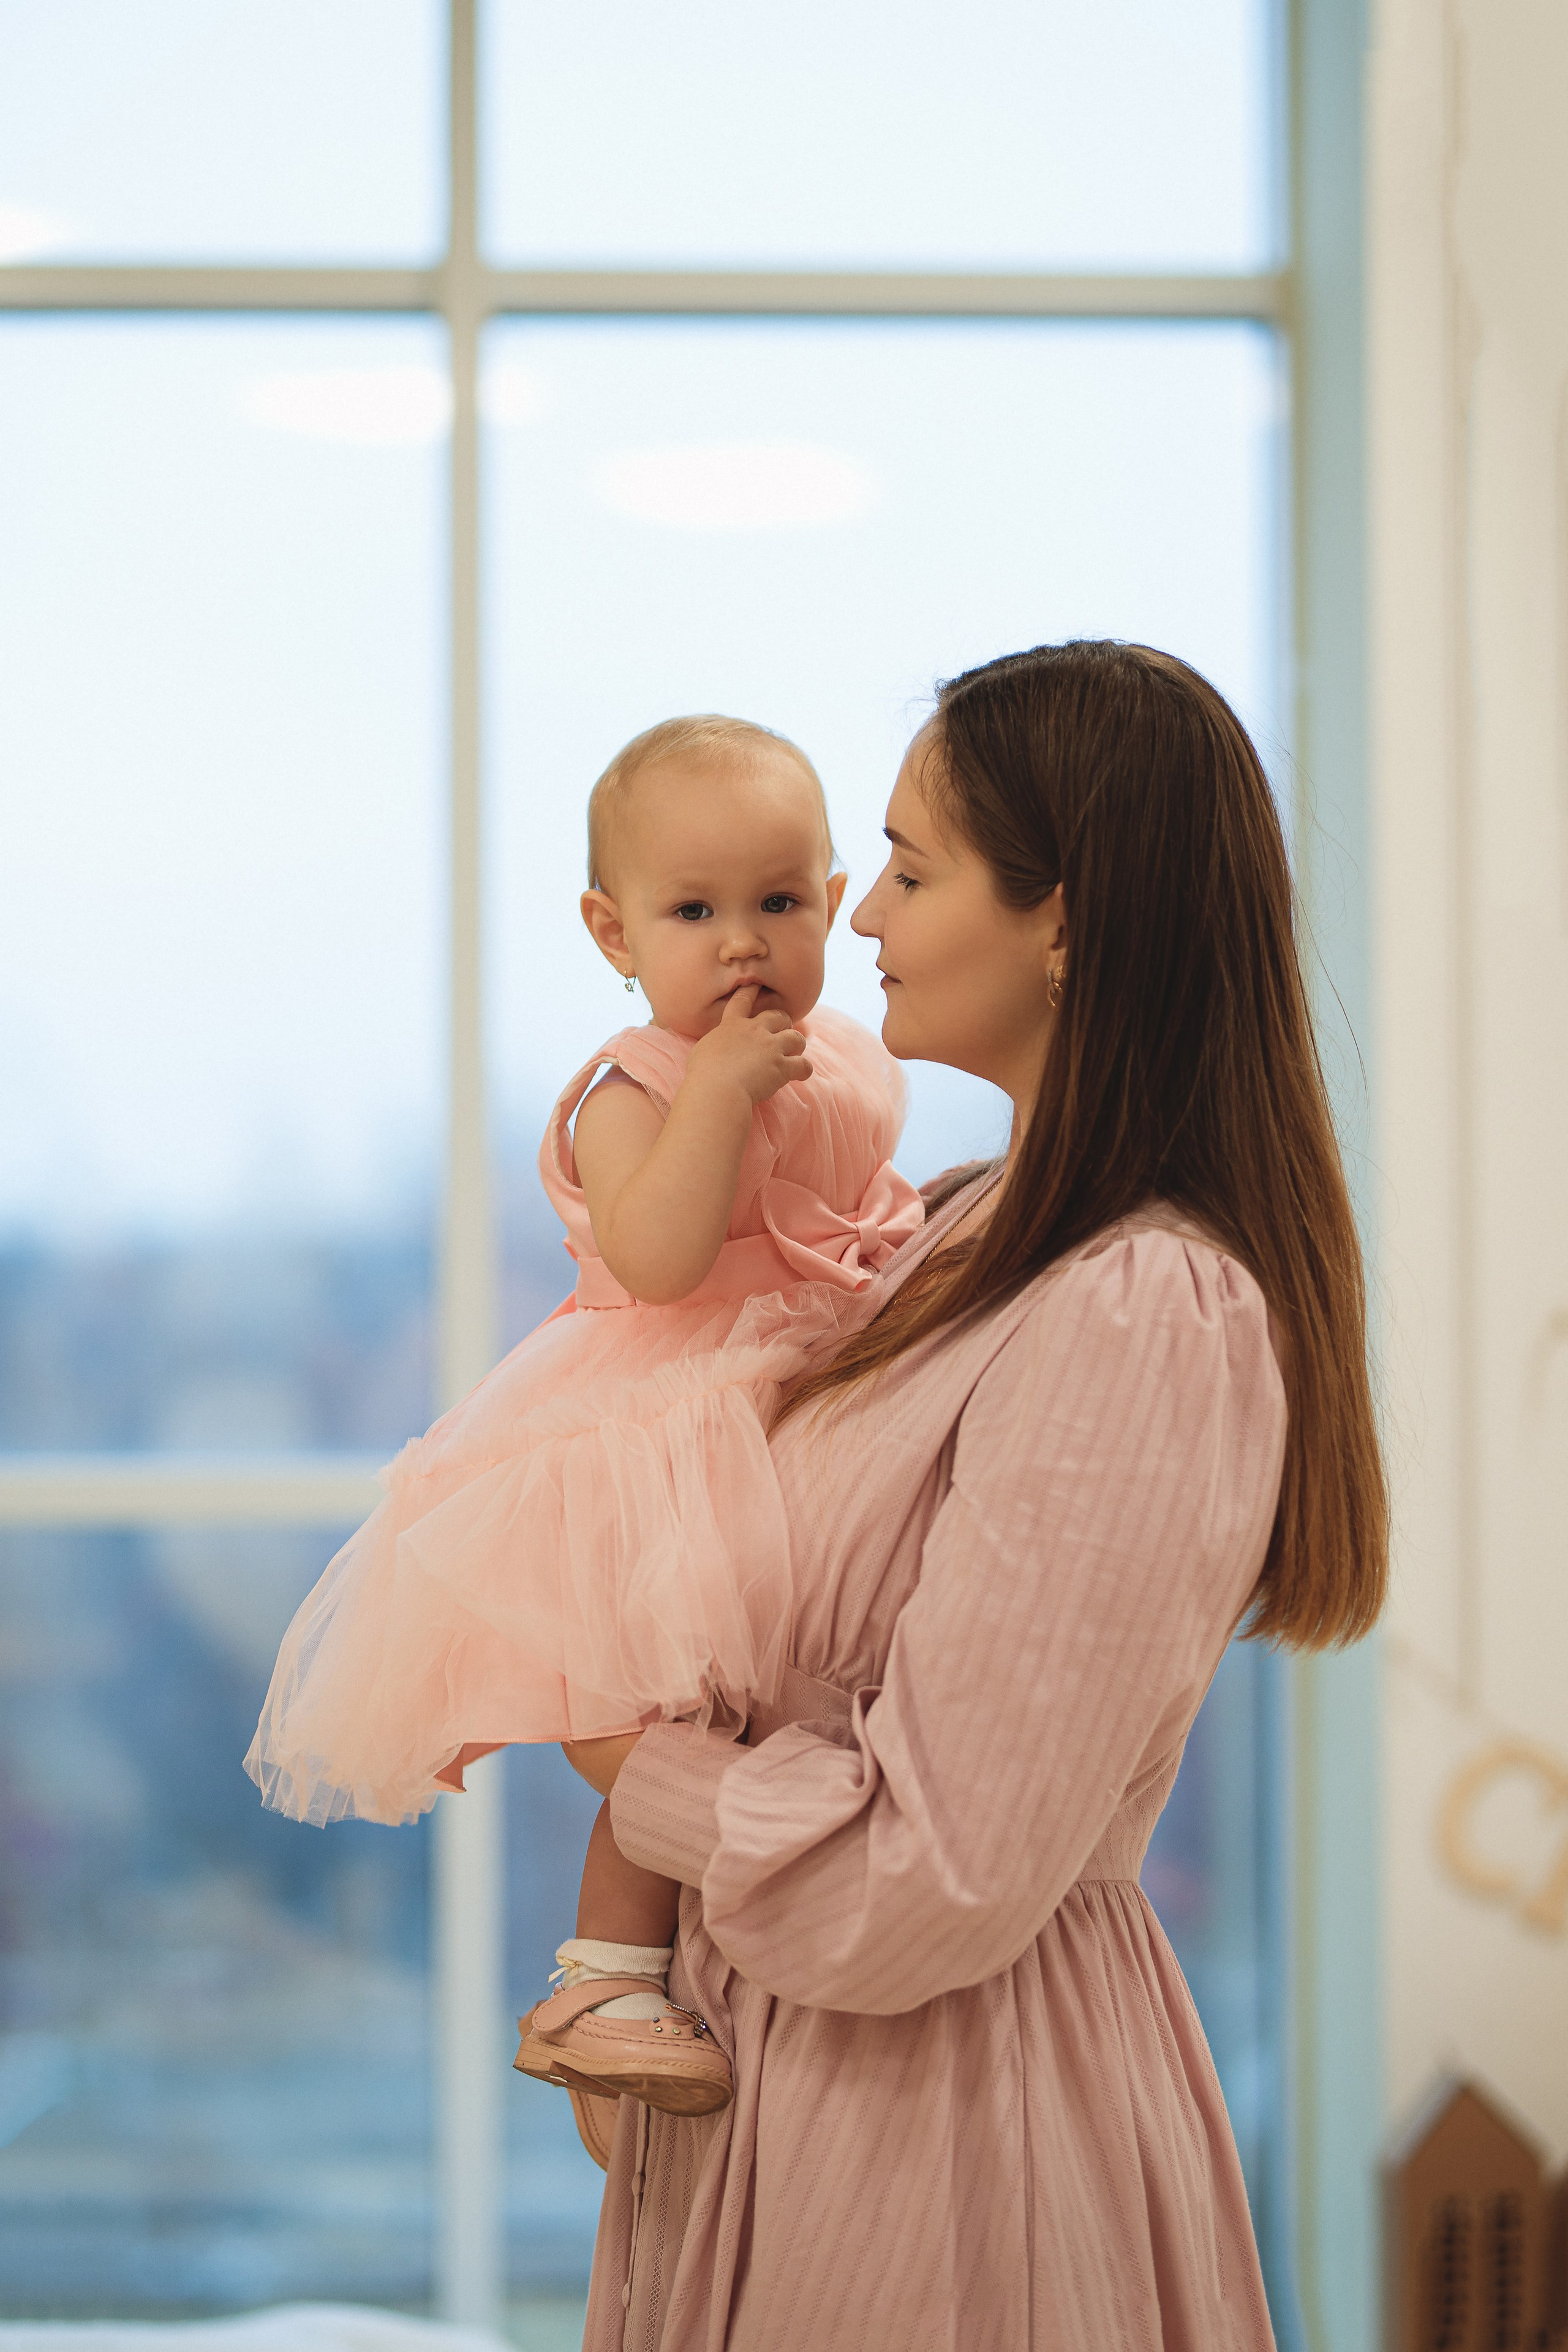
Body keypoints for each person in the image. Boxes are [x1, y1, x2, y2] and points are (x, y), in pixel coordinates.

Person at [561, 642, 1389, 2350]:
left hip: (948, 2134)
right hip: (809, 2089)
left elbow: (928, 1880)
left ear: (1065, 923)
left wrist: (639, 1777)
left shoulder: (1145, 1311)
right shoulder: (954, 1227)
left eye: (915, 874)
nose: (855, 923)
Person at [244, 714, 921, 2120]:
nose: (742, 943)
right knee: (665, 1724)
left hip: (795, 1406)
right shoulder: (638, 1086)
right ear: (613, 932)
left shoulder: (846, 1056)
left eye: (779, 904)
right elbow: (664, 1260)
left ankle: (678, 1993)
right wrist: (718, 1105)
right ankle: (602, 1982)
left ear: (834, 900)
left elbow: (858, 1218)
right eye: (694, 912)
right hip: (661, 1432)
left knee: (769, 1728)